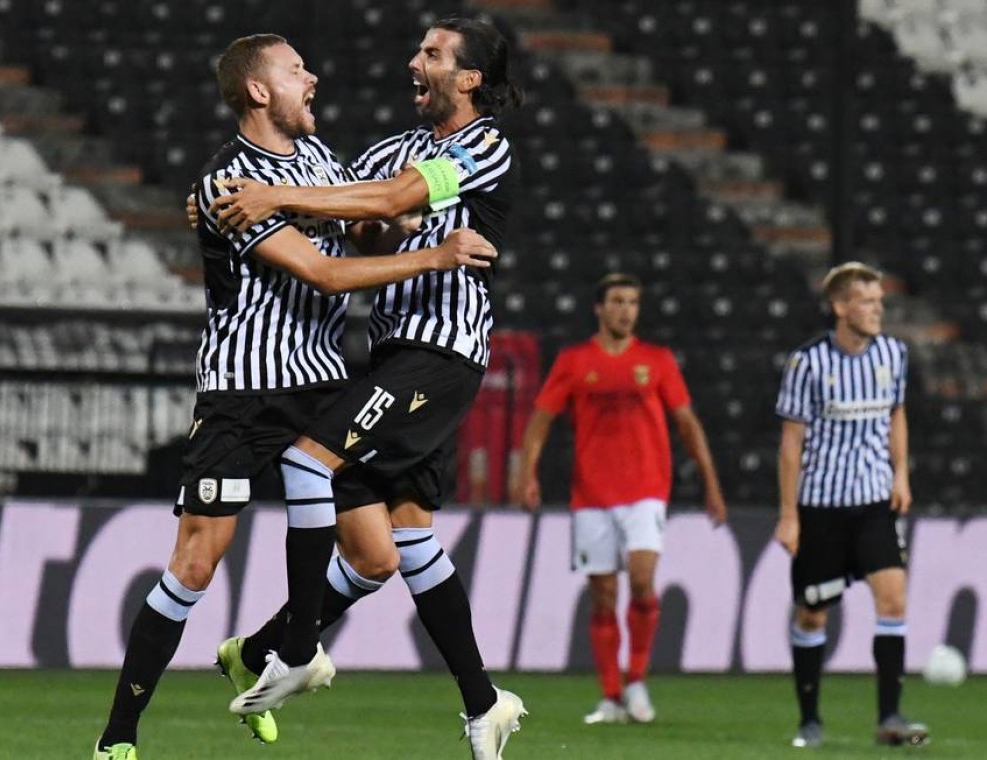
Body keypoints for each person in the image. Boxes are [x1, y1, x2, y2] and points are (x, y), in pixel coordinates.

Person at [92, 33, 497, 760]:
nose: (312, 78)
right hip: (242, 394)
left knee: (376, 559)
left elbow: (360, 229)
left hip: (321, 385)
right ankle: (118, 739)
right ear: (257, 91)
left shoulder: (315, 163)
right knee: (194, 563)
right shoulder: (226, 182)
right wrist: (434, 252)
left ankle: (266, 653)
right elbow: (324, 274)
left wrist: (389, 222)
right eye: (295, 70)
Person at [209, 17, 529, 759]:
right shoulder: (390, 150)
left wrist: (279, 202)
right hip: (390, 353)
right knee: (397, 542)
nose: (413, 61)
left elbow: (386, 200)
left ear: (469, 78)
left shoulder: (481, 146)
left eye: (432, 54)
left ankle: (292, 651)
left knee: (304, 462)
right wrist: (222, 200)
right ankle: (483, 704)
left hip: (442, 354)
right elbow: (366, 222)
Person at [516, 272, 727, 725]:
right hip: (591, 494)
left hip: (647, 489)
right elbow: (541, 421)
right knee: (603, 596)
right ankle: (611, 697)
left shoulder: (658, 360)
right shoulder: (575, 361)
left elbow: (687, 423)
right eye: (617, 300)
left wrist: (711, 482)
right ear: (599, 308)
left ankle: (637, 680)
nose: (626, 309)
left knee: (644, 579)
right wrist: (526, 472)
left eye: (632, 301)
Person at [774, 262, 928, 749]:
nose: (878, 310)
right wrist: (789, 514)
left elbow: (896, 412)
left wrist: (900, 473)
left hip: (873, 503)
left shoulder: (892, 353)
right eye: (867, 301)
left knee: (894, 600)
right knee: (812, 615)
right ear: (840, 307)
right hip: (821, 508)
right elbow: (790, 444)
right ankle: (810, 719)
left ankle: (890, 718)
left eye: (880, 301)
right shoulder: (808, 363)